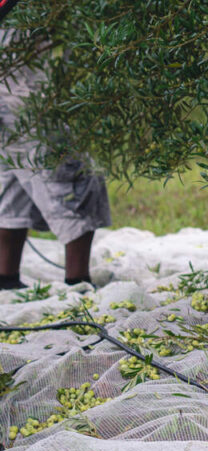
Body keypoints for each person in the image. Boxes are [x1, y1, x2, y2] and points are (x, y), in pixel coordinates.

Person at [0, 30, 110, 290]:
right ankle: (78, 283)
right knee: (71, 178)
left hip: (17, 64)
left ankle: (6, 280)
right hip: (27, 79)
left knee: (12, 174)